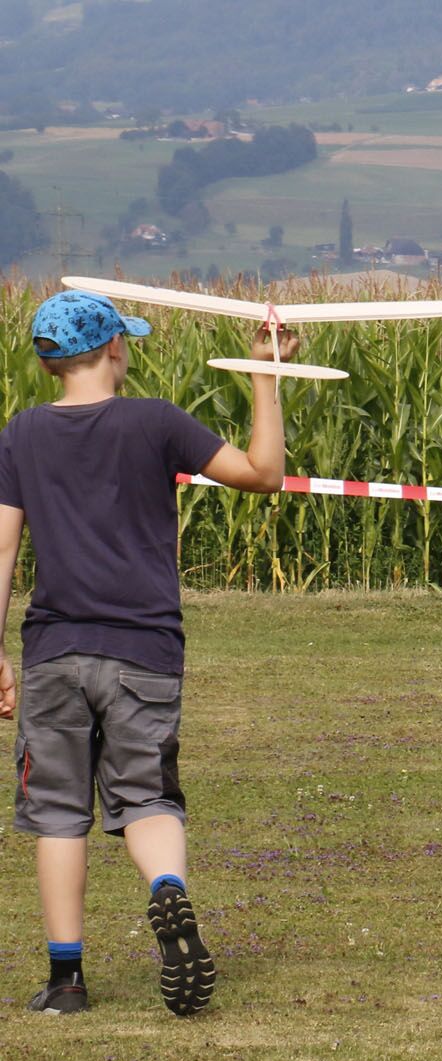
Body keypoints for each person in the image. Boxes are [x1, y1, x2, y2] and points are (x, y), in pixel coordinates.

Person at [1, 289, 295, 1016]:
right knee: (148, 797)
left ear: (48, 364)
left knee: (58, 813)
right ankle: (167, 888)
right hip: (144, 648)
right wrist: (266, 373)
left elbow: (2, 549)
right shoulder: (156, 420)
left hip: (54, 649)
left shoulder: (21, 434)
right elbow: (263, 473)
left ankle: (66, 981)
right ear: (114, 348)